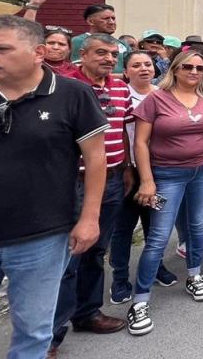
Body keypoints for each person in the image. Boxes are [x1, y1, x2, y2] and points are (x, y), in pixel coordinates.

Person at [0, 15, 108, 359]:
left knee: (33, 333)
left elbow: (95, 160)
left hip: (42, 237)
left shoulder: (72, 95)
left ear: (38, 52)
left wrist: (90, 218)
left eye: (0, 48)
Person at [127, 50, 203, 335]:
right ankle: (140, 300)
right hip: (167, 176)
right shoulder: (156, 99)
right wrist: (147, 181)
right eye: (188, 67)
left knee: (197, 228)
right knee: (159, 237)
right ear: (175, 68)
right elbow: (141, 143)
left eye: (201, 68)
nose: (195, 72)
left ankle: (194, 275)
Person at [49, 34, 134, 352]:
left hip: (112, 179)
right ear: (81, 54)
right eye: (101, 52)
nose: (109, 59)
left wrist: (125, 167)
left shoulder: (120, 87)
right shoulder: (64, 86)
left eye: (114, 54)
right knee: (69, 257)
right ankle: (50, 335)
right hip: (74, 181)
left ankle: (87, 313)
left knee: (97, 250)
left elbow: (124, 129)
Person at [108, 51, 177, 305]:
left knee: (155, 225)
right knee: (123, 228)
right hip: (128, 172)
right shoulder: (120, 95)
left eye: (147, 64)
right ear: (126, 71)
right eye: (136, 65)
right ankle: (119, 278)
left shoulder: (163, 94)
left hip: (159, 171)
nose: (143, 69)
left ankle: (156, 267)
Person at [68, 4, 129, 73]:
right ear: (90, 21)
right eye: (106, 18)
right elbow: (81, 73)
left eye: (113, 18)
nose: (111, 22)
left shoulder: (123, 44)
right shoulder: (79, 41)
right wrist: (124, 77)